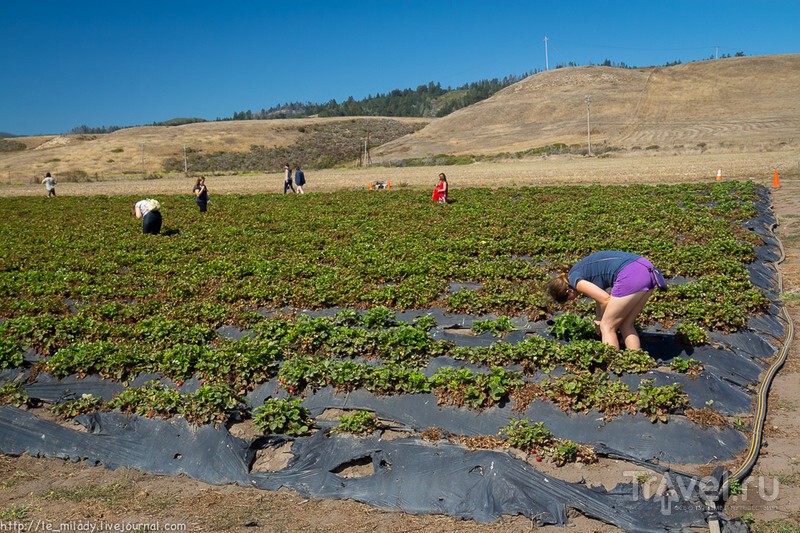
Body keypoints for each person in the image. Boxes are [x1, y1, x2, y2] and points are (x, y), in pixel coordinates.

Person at [546, 250, 666, 350]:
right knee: (626, 324)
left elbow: (605, 299)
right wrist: (599, 317)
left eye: (569, 300)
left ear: (568, 292)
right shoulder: (578, 270)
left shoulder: (575, 281)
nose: (572, 300)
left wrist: (601, 321)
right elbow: (599, 299)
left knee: (607, 327)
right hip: (647, 269)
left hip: (630, 274)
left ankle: (613, 362)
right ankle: (635, 359)